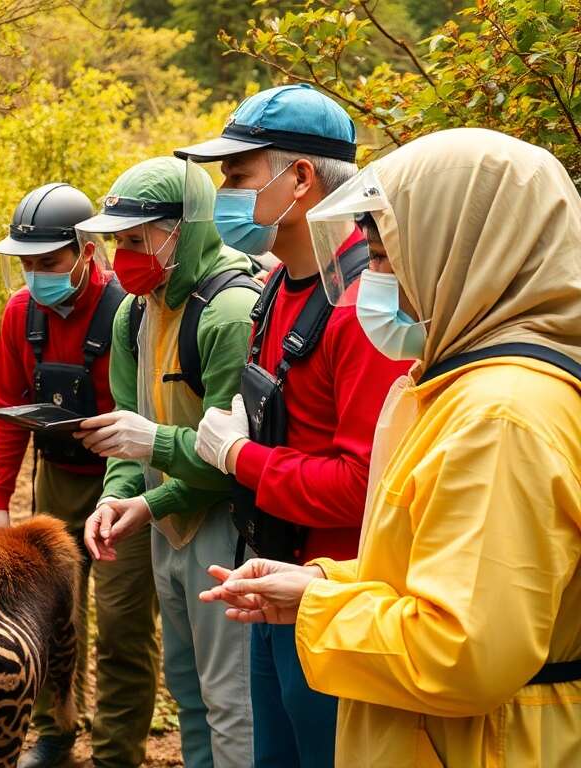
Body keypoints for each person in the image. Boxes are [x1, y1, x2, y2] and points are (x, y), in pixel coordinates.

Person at [201, 127, 581, 767]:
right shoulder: (469, 385)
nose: (367, 282)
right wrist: (324, 577)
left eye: (380, 256)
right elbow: (441, 570)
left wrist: (319, 606)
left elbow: (460, 653)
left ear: (458, 253)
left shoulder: (501, 416)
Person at [165, 84, 410, 768]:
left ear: (300, 179)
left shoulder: (362, 309)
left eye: (238, 175)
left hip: (333, 605)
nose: (224, 194)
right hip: (273, 584)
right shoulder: (277, 283)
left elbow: (365, 487)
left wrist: (239, 457)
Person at [76, 157, 258, 768]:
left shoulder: (230, 312)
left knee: (232, 700)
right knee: (187, 688)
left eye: (137, 240)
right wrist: (116, 497)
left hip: (226, 527)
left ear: (184, 229)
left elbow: (233, 458)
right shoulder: (136, 309)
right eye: (117, 242)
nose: (123, 256)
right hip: (165, 526)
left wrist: (150, 485)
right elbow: (128, 420)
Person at [0, 183, 159, 768]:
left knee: (121, 623)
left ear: (86, 252)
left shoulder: (128, 309)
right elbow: (9, 410)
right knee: (51, 615)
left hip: (125, 479)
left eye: (50, 262)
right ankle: (54, 734)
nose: (38, 276)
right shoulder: (21, 314)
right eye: (28, 265)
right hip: (57, 478)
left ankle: (115, 753)